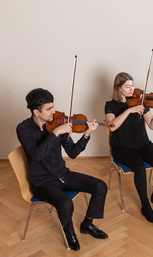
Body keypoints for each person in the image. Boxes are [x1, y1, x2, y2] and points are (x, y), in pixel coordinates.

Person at [16, 88, 108, 251]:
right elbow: (37, 155)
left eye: (53, 107)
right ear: (36, 112)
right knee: (66, 205)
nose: (53, 112)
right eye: (49, 109)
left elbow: (72, 153)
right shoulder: (24, 129)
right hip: (42, 183)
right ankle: (70, 234)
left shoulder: (57, 122)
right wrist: (56, 132)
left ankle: (87, 224)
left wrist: (86, 134)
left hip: (63, 175)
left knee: (100, 186)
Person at [105, 72, 153, 223]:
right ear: (119, 88)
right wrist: (128, 111)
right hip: (122, 148)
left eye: (132, 85)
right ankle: (145, 205)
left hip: (142, 144)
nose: (132, 89)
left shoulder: (141, 102)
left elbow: (152, 126)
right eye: (127, 86)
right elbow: (111, 127)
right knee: (139, 168)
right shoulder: (110, 105)